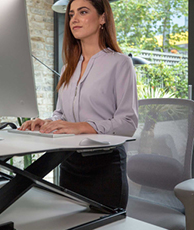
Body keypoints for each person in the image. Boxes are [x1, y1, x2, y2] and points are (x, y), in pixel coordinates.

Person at [19, 0, 138, 209]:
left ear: (102, 18)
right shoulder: (67, 68)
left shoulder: (120, 63)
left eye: (83, 12)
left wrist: (82, 126)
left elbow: (128, 123)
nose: (74, 19)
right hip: (69, 163)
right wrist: (48, 123)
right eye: (71, 14)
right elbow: (61, 113)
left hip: (104, 166)